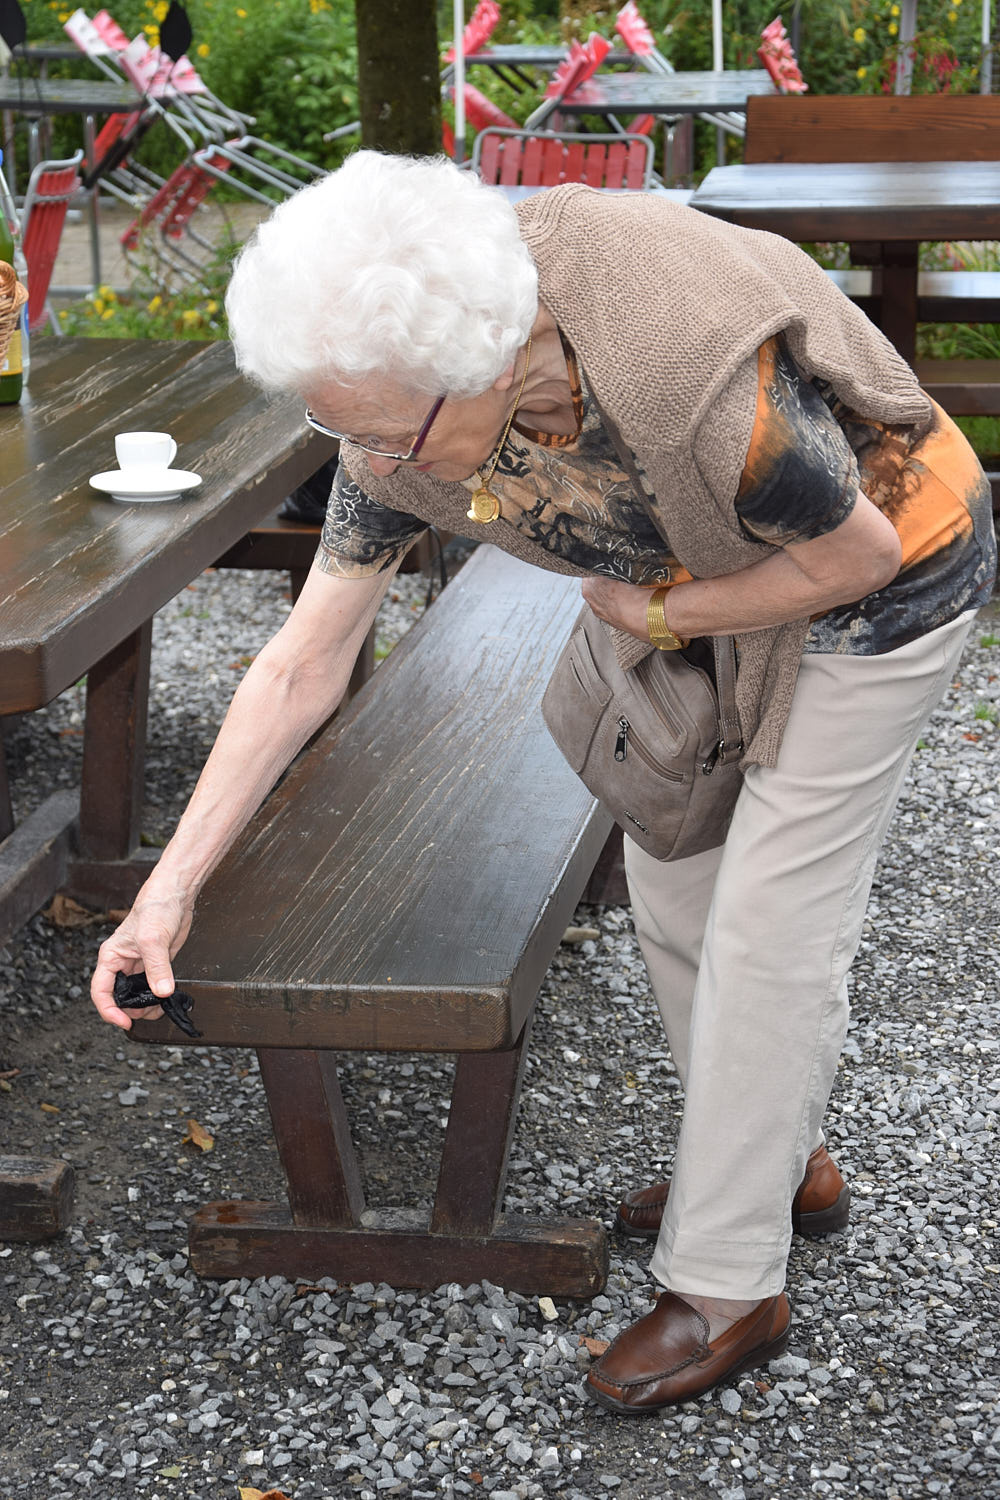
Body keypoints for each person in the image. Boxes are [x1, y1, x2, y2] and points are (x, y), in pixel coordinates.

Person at [90, 152, 996, 1414]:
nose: (364, 459)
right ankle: (774, 1165)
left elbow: (857, 553)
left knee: (772, 928)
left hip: (876, 581)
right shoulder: (397, 405)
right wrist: (168, 892)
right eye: (337, 425)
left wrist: (664, 614)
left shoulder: (681, 371)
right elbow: (303, 660)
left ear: (482, 366)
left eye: (379, 428)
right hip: (695, 574)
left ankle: (730, 1283)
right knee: (674, 891)